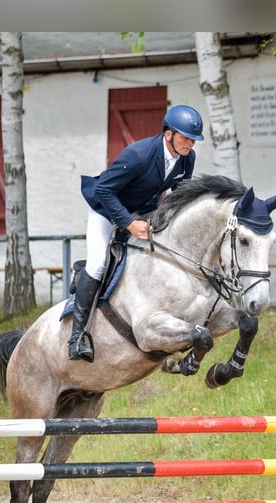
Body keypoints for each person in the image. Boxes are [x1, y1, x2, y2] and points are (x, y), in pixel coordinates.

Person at [68, 104, 205, 361]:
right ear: (169, 134)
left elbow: (180, 193)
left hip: (142, 209)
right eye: (186, 138)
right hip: (105, 209)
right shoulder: (138, 154)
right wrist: (128, 223)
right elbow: (104, 191)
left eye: (194, 139)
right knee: (98, 265)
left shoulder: (187, 157)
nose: (190, 144)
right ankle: (76, 338)